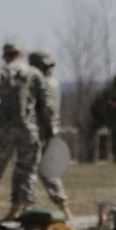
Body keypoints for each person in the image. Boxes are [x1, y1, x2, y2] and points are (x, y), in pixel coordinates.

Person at [0, 42, 55, 221]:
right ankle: (21, 208)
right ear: (21, 54)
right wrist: (49, 131)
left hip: (4, 130)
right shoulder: (35, 74)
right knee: (27, 169)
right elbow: (47, 105)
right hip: (29, 128)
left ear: (5, 56)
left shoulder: (0, 74)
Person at [29, 49, 73, 219]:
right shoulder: (53, 82)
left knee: (40, 169)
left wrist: (48, 136)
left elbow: (47, 111)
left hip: (42, 131)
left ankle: (61, 205)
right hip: (49, 130)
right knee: (43, 170)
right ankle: (63, 205)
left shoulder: (43, 83)